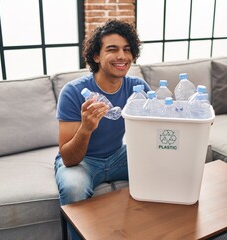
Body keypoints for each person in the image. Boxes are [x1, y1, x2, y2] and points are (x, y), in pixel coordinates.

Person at [54, 19, 151, 238]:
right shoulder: (73, 92)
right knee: (73, 188)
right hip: (84, 161)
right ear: (96, 56)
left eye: (127, 50)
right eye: (112, 49)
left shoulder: (138, 89)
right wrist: (86, 128)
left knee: (161, 166)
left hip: (118, 155)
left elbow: (155, 128)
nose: (121, 56)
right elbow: (68, 158)